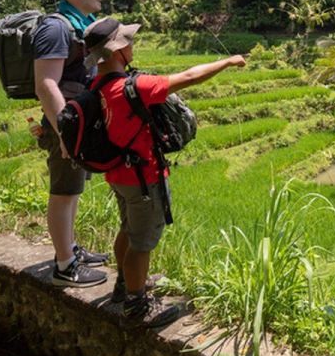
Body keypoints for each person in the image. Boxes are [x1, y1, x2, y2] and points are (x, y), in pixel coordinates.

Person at [83, 17, 246, 327]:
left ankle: (123, 286)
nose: (132, 45)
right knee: (142, 243)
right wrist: (227, 61)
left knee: (128, 230)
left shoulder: (97, 85)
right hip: (143, 178)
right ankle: (137, 305)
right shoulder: (134, 87)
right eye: (127, 41)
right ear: (118, 50)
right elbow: (190, 75)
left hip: (118, 175)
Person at [34, 0, 111, 287]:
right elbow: (46, 84)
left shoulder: (79, 26)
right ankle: (65, 265)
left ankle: (71, 249)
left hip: (78, 120)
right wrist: (65, 132)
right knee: (63, 192)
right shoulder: (56, 28)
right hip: (64, 123)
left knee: (73, 189)